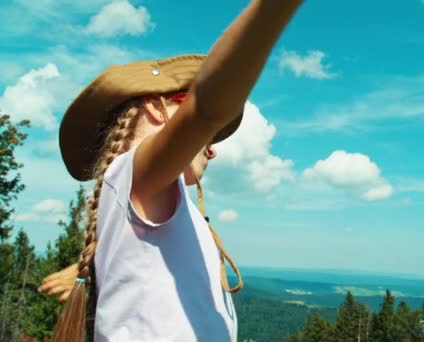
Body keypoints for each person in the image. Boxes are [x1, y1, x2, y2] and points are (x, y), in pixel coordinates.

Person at [38, 1, 304, 341]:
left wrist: (88, 270)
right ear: (155, 107)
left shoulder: (142, 196)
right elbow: (207, 110)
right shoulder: (133, 176)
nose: (212, 147)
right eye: (204, 132)